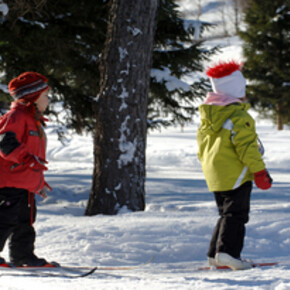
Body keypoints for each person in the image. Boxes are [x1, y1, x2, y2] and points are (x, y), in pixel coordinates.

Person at [197, 60, 273, 270]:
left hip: (216, 174)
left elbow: (202, 147)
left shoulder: (208, 116)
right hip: (236, 172)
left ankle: (215, 254)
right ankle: (229, 253)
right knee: (237, 215)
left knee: (226, 214)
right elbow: (247, 147)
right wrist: (259, 171)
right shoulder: (238, 116)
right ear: (236, 89)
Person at [0, 72, 55, 267]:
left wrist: (38, 182)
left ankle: (23, 256)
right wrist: (28, 160)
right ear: (33, 97)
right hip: (8, 182)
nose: (48, 100)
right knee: (5, 219)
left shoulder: (34, 121)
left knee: (26, 221)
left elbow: (34, 158)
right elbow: (5, 144)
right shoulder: (16, 117)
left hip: (24, 183)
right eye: (45, 96)